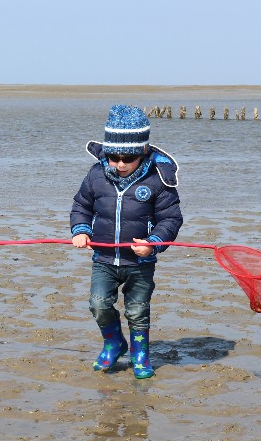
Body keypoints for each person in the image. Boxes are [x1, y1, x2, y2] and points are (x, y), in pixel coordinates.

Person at [70, 104, 182, 378]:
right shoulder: (96, 175)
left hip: (139, 263)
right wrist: (81, 230)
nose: (120, 163)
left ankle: (140, 356)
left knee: (137, 311)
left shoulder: (158, 180)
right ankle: (113, 343)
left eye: (128, 158)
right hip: (104, 259)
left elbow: (170, 219)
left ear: (142, 152)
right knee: (98, 304)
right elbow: (81, 206)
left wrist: (153, 243)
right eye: (114, 157)